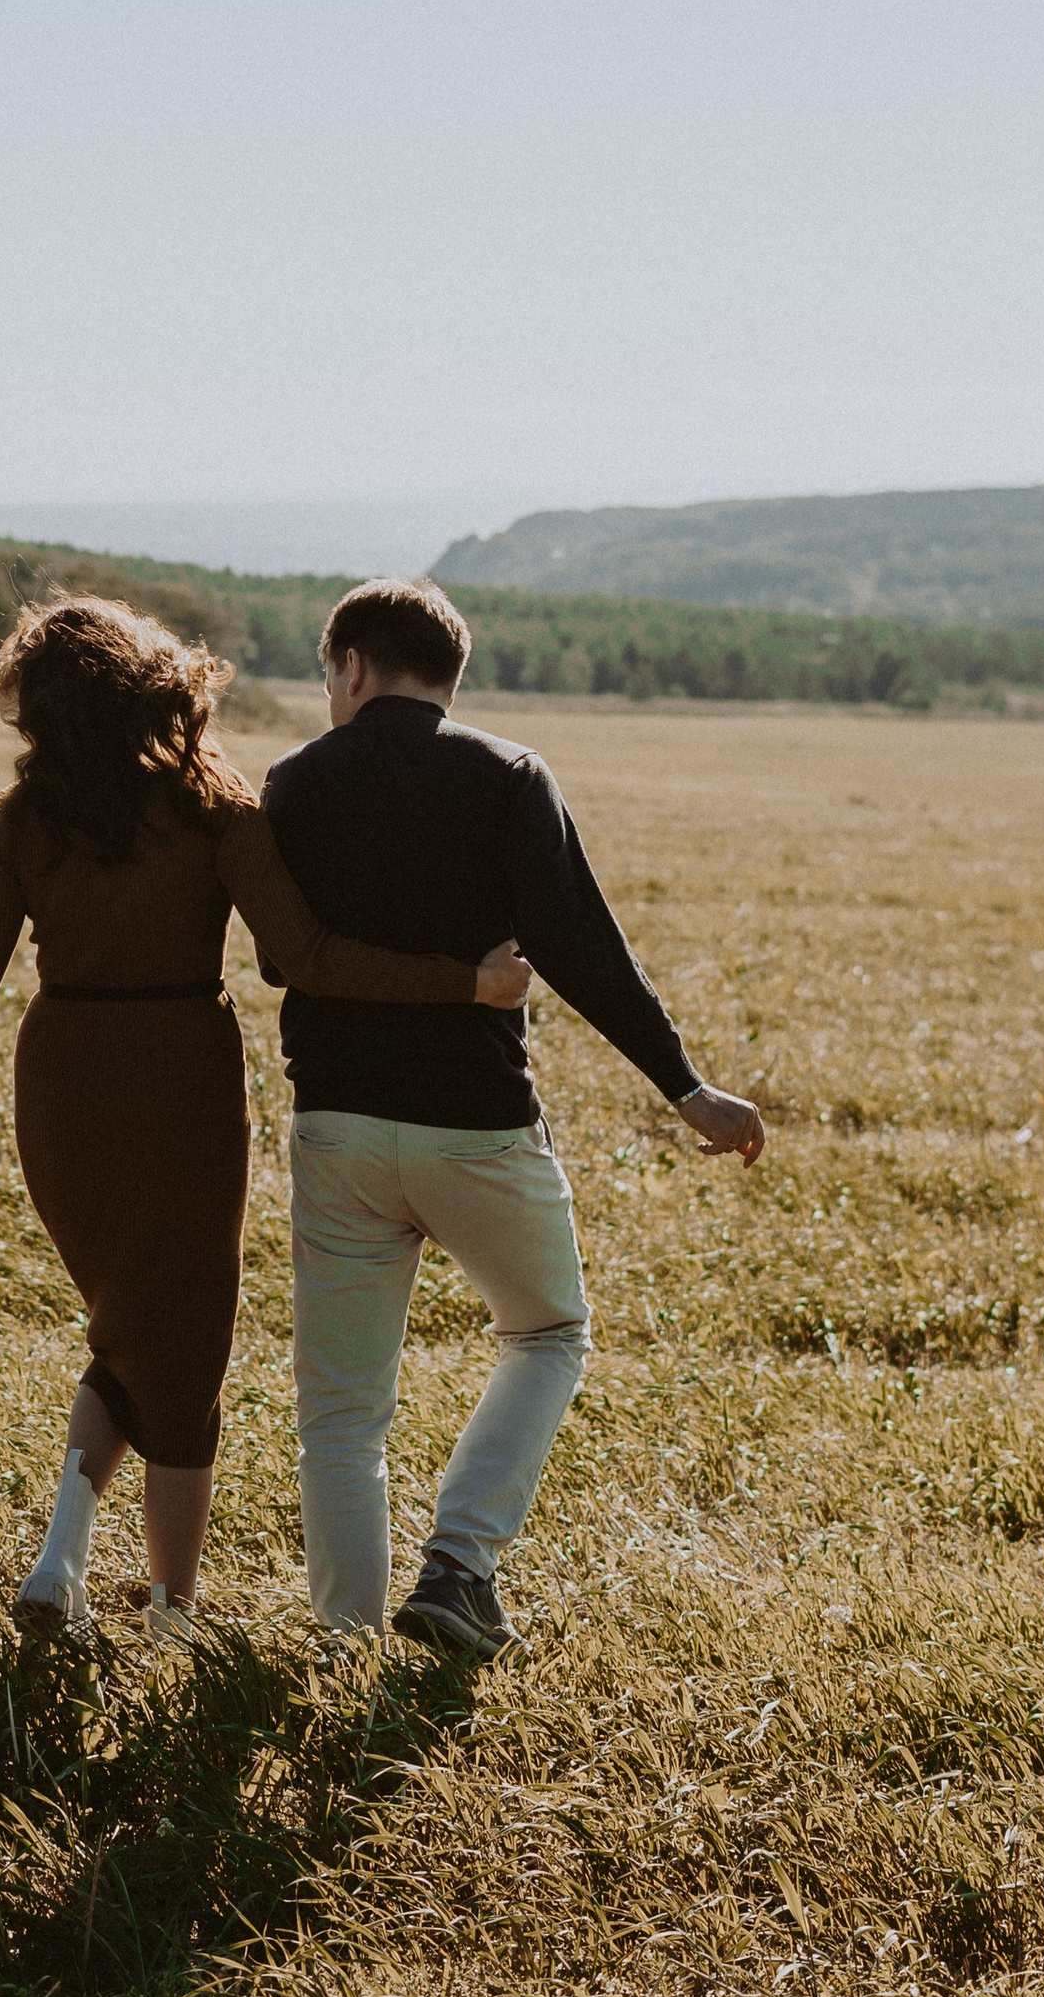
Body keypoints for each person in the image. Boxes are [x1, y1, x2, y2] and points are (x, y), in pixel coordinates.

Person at [0, 594, 531, 1641]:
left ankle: (65, 1559)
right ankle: (171, 1614)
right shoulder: (212, 803)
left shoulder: (24, 820)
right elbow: (308, 959)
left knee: (132, 1330)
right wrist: (467, 983)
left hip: (62, 1087)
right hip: (182, 1080)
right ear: (149, 684)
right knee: (179, 1358)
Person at [259, 578, 763, 1663]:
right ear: (451, 673)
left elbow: (279, 959)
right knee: (546, 1333)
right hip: (474, 1123)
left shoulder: (295, 780)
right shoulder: (508, 774)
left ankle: (343, 1654)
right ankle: (458, 1565)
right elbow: (582, 948)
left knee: (340, 1416)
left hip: (335, 1124)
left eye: (328, 673)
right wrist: (686, 1088)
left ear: (353, 665)